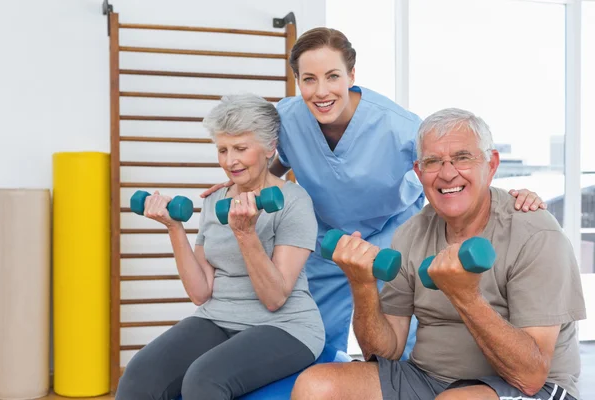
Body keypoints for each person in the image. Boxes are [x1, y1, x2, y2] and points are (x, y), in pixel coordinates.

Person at [201, 27, 545, 358]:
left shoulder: (399, 126)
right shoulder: (288, 118)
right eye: (309, 79)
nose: (321, 91)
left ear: (352, 75)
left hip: (391, 234)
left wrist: (508, 196)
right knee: (312, 338)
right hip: (327, 237)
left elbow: (450, 171)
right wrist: (242, 183)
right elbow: (278, 161)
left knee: (398, 343)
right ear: (298, 82)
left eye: (332, 76)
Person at [290, 108, 586, 400]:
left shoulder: (535, 233)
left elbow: (531, 376)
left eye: (462, 158)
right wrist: (362, 284)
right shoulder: (410, 234)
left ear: (491, 164)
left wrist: (466, 297)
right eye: (433, 162)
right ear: (419, 172)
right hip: (427, 378)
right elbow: (382, 353)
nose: (447, 173)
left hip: (529, 387)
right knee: (316, 385)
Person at [115, 94, 325, 400]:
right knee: (139, 376)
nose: (230, 161)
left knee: (203, 381)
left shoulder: (294, 203)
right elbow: (201, 292)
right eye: (223, 150)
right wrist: (174, 228)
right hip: (218, 317)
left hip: (285, 325)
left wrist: (246, 234)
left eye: (241, 148)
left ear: (269, 148)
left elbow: (275, 298)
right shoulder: (215, 201)